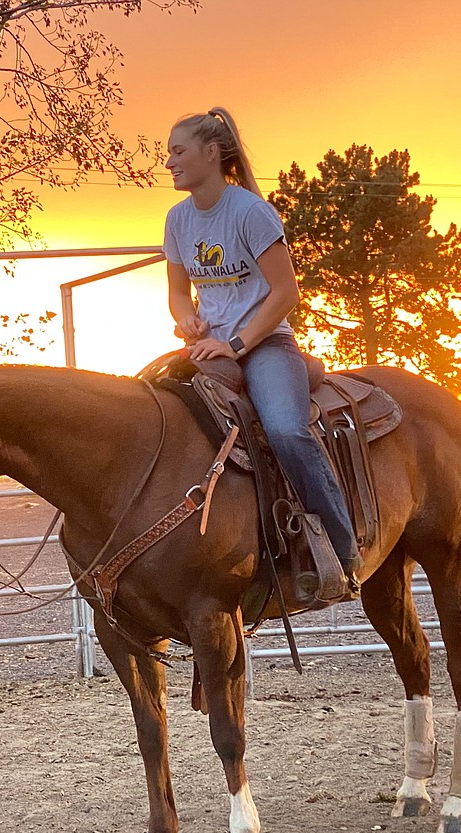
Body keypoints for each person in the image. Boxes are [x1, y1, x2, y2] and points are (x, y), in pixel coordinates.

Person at [162, 108, 362, 591]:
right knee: (155, 415)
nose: (169, 161)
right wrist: (184, 318)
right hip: (208, 348)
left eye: (178, 150)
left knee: (285, 430)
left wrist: (234, 343)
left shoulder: (250, 211)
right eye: (168, 152)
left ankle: (342, 547)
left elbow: (285, 293)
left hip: (264, 344)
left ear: (212, 153)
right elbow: (176, 292)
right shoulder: (177, 220)